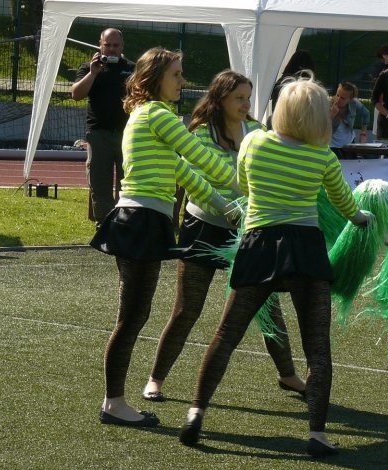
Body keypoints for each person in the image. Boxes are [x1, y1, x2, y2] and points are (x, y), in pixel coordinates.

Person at [178, 77, 372, 456]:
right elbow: (347, 207)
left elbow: (243, 186)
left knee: (226, 335)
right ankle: (316, 434)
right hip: (306, 250)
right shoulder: (323, 157)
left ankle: (196, 413)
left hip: (259, 245)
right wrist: (365, 219)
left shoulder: (254, 142)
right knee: (317, 348)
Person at [90, 48, 238, 427]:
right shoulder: (157, 114)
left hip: (141, 221)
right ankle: (113, 403)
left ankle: (115, 401)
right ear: (156, 77)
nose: (182, 81)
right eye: (176, 74)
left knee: (134, 316)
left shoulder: (149, 118)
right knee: (131, 318)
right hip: (140, 221)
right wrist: (248, 181)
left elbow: (186, 173)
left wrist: (229, 207)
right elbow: (199, 156)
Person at [142, 70, 306, 402]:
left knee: (268, 307)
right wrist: (231, 206)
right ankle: (155, 379)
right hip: (203, 228)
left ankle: (288, 375)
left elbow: (272, 175)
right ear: (220, 99)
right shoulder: (200, 134)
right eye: (238, 98)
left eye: (248, 98)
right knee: (187, 309)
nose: (246, 105)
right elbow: (197, 183)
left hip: (250, 233)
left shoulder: (259, 132)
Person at [72, 28, 135, 228]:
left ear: (122, 46)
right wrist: (93, 73)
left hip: (128, 135)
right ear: (100, 45)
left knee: (129, 182)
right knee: (99, 182)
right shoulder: (89, 67)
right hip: (99, 134)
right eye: (107, 45)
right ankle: (104, 224)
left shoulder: (132, 68)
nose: (112, 49)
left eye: (116, 45)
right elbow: (76, 94)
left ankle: (125, 223)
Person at [329, 81, 370, 158]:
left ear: (350, 99)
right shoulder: (328, 104)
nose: (338, 99)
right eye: (337, 95)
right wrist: (332, 115)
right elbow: (322, 128)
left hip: (349, 143)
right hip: (332, 145)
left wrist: (363, 133)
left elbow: (366, 114)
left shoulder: (354, 103)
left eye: (343, 98)